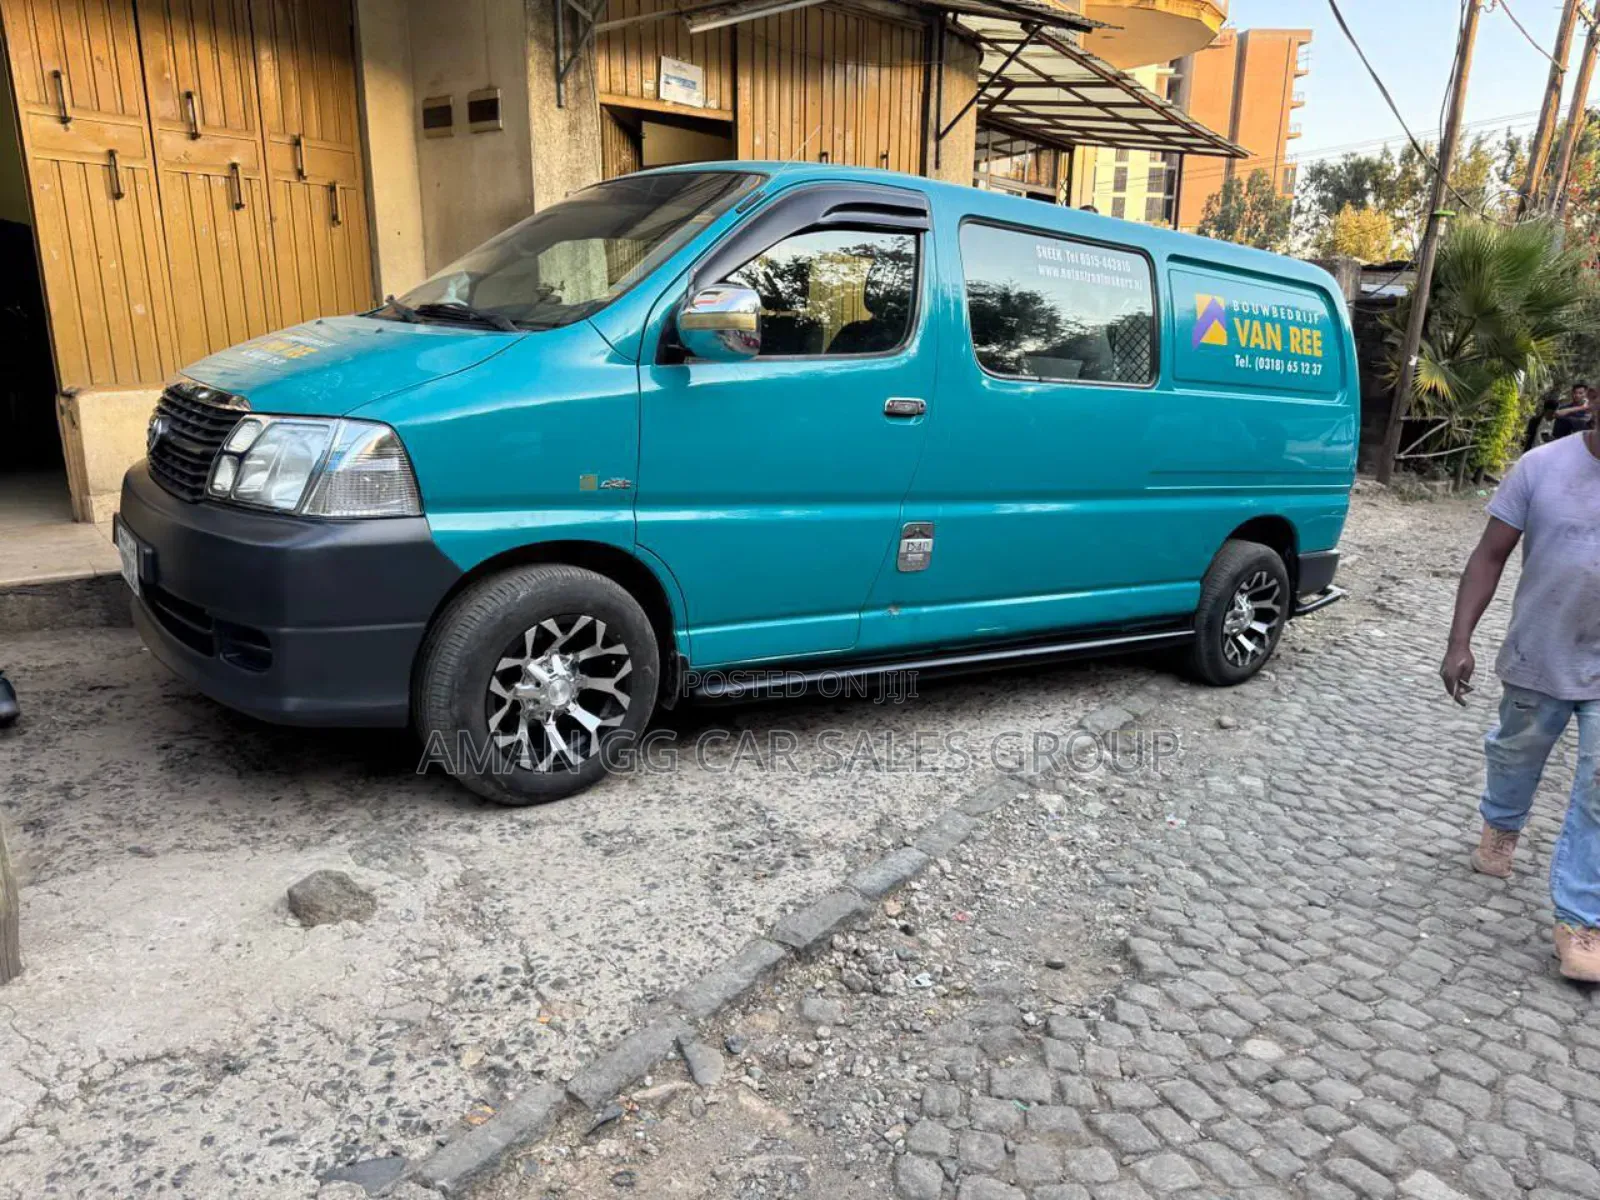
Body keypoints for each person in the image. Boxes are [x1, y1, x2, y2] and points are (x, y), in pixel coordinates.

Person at [1441, 383, 1600, 981]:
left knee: (1598, 786)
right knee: (1517, 754)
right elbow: (1489, 555)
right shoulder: (1541, 468)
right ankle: (1502, 825)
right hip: (1541, 652)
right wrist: (1460, 642)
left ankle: (1582, 919)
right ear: (1595, 399)